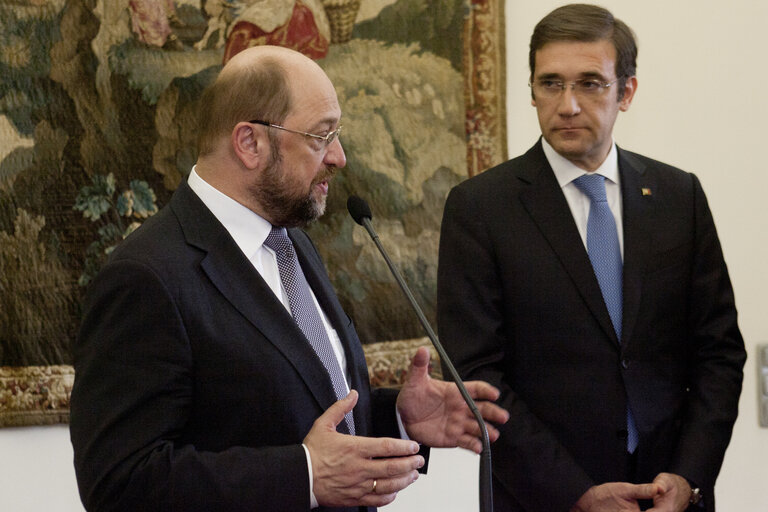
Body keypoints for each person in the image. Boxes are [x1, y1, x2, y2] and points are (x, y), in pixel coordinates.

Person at [69, 45, 509, 512]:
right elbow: (119, 485)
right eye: (321, 137)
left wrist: (396, 416)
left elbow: (290, 408)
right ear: (250, 143)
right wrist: (304, 475)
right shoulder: (145, 278)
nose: (338, 157)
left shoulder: (289, 242)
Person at [437, 4, 745, 512]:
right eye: (551, 83)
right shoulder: (480, 207)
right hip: (543, 498)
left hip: (668, 495)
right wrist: (574, 493)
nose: (568, 105)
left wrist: (689, 476)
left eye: (590, 83)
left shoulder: (678, 195)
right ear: (532, 90)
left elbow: (719, 353)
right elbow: (477, 376)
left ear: (626, 92)